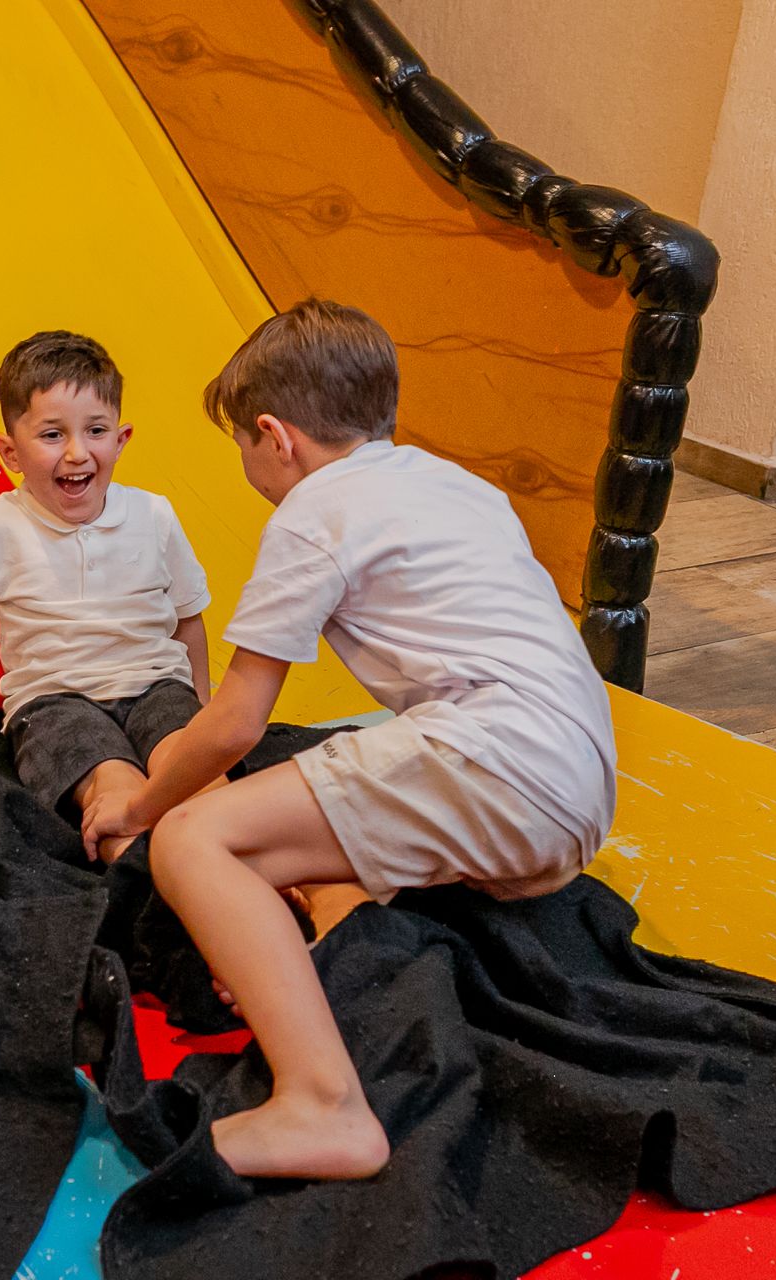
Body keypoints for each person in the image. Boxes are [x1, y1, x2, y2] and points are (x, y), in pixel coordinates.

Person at [83, 299, 617, 1181]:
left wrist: (140, 804)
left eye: (245, 450)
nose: (251, 468)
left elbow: (234, 721)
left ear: (274, 435)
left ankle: (321, 1103)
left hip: (500, 757)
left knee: (191, 838)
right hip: (577, 791)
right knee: (278, 839)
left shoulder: (313, 513)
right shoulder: (455, 484)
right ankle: (284, 949)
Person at [0, 330, 210, 860]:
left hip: (156, 684)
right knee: (112, 787)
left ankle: (260, 872)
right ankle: (161, 887)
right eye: (52, 435)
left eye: (95, 431)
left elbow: (188, 617)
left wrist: (204, 708)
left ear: (121, 439)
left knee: (195, 774)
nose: (77, 453)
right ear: (10, 450)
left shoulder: (153, 515)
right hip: (54, 702)